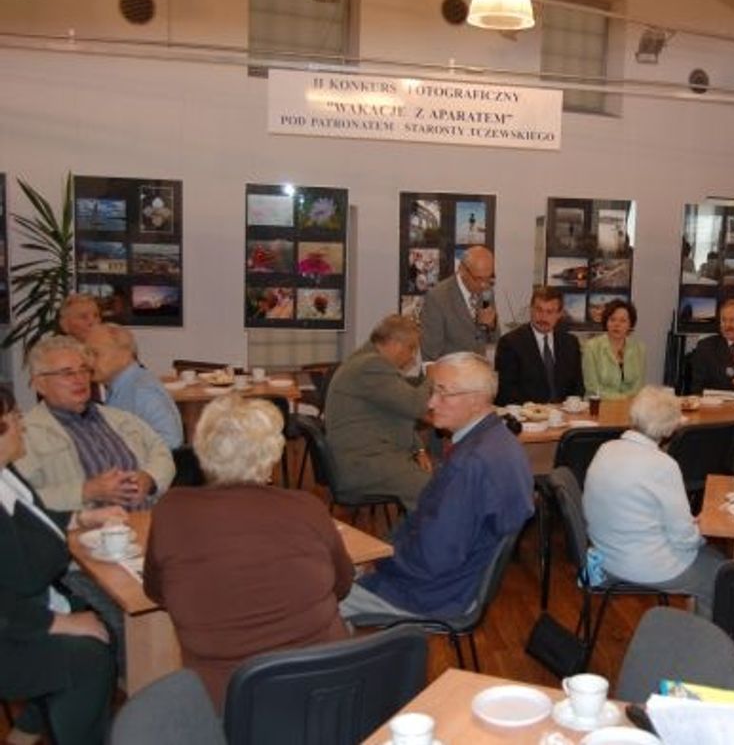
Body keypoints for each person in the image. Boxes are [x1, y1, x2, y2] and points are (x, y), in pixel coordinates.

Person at [143, 395, 354, 710]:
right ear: (272, 453)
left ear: (201, 449)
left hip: (228, 701)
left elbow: (157, 592)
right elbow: (342, 585)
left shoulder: (170, 511)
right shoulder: (306, 507)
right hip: (322, 688)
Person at [341, 352, 533, 618]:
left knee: (315, 602)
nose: (431, 402)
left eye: (443, 393)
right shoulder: (501, 440)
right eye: (433, 391)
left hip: (433, 593)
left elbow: (433, 557)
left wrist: (378, 562)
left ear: (477, 400)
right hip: (453, 580)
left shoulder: (469, 464)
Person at [1, 385, 126, 745]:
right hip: (11, 631)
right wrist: (60, 623)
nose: (21, 425)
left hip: (32, 605)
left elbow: (34, 518)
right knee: (88, 658)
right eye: (13, 418)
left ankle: (27, 729)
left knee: (106, 624)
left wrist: (82, 518)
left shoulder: (6, 473)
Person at [583, 386, 723, 618]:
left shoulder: (605, 449)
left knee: (710, 558)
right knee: (721, 574)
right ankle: (704, 645)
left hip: (602, 559)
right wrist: (700, 531)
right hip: (638, 565)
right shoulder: (662, 465)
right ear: (669, 428)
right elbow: (683, 538)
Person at [16, 336, 174, 512]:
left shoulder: (120, 418)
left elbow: (161, 450)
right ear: (40, 384)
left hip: (144, 525)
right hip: (80, 534)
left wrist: (150, 478)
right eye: (67, 373)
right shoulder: (24, 434)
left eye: (84, 370)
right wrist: (86, 492)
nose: (79, 379)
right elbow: (19, 500)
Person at [325, 314, 433, 512]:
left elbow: (398, 412)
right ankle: (418, 540)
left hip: (365, 455)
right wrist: (432, 377)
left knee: (437, 486)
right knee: (434, 491)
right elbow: (416, 406)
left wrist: (419, 450)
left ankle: (415, 536)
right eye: (411, 349)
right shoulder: (372, 366)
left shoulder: (365, 359)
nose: (412, 357)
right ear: (395, 343)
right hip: (362, 463)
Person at [86, 322, 183, 449]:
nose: (89, 362)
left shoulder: (142, 390)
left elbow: (172, 441)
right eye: (87, 355)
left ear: (125, 353)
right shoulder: (120, 386)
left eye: (96, 354)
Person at [494, 286, 584, 406]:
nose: (543, 317)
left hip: (564, 414)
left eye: (549, 312)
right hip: (527, 415)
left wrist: (570, 407)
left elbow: (578, 386)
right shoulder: (511, 343)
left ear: (560, 314)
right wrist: (537, 411)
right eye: (539, 310)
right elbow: (506, 391)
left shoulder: (570, 343)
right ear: (531, 309)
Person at [420, 245, 498, 360]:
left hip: (477, 371)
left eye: (489, 278)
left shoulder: (487, 292)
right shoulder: (437, 297)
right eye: (478, 279)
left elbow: (494, 338)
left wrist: (491, 325)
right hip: (448, 374)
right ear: (462, 270)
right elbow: (431, 353)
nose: (484, 285)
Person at [582, 299, 645, 398]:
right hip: (599, 405)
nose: (617, 325)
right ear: (606, 322)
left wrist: (626, 401)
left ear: (630, 325)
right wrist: (621, 398)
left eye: (623, 321)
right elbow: (592, 387)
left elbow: (638, 386)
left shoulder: (639, 349)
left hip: (629, 405)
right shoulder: (592, 347)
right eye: (612, 319)